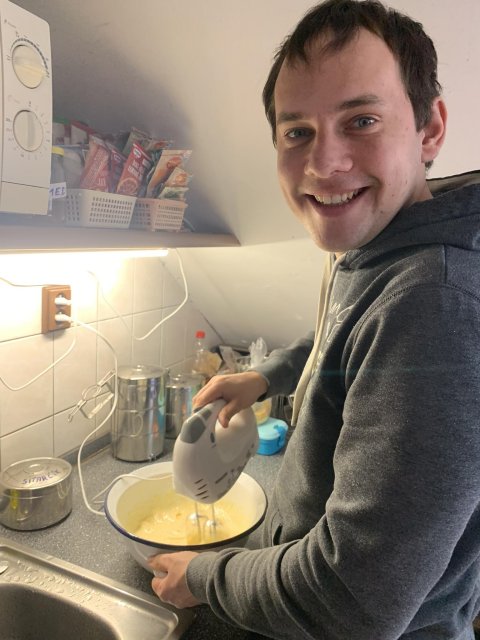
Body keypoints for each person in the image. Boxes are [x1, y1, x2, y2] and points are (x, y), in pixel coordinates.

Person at [148, 1, 480, 638]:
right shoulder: (385, 246)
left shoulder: (435, 304)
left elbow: (349, 602)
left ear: (429, 129)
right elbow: (345, 333)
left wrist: (204, 577)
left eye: (361, 120)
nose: (323, 165)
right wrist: (268, 375)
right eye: (297, 131)